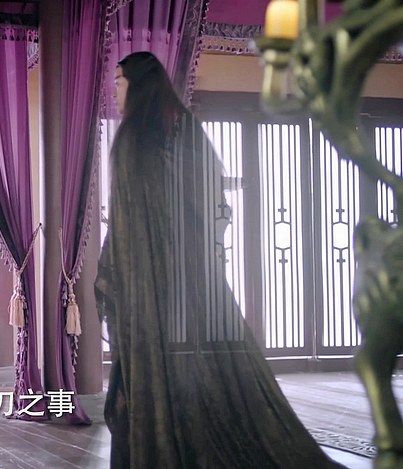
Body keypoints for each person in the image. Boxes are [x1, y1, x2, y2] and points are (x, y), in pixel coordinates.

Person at [94, 51, 344, 468]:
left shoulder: (178, 129)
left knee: (202, 374)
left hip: (183, 283)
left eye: (120, 82)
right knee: (152, 376)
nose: (115, 90)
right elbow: (124, 218)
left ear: (140, 85)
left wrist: (197, 252)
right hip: (145, 283)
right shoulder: (133, 138)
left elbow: (211, 201)